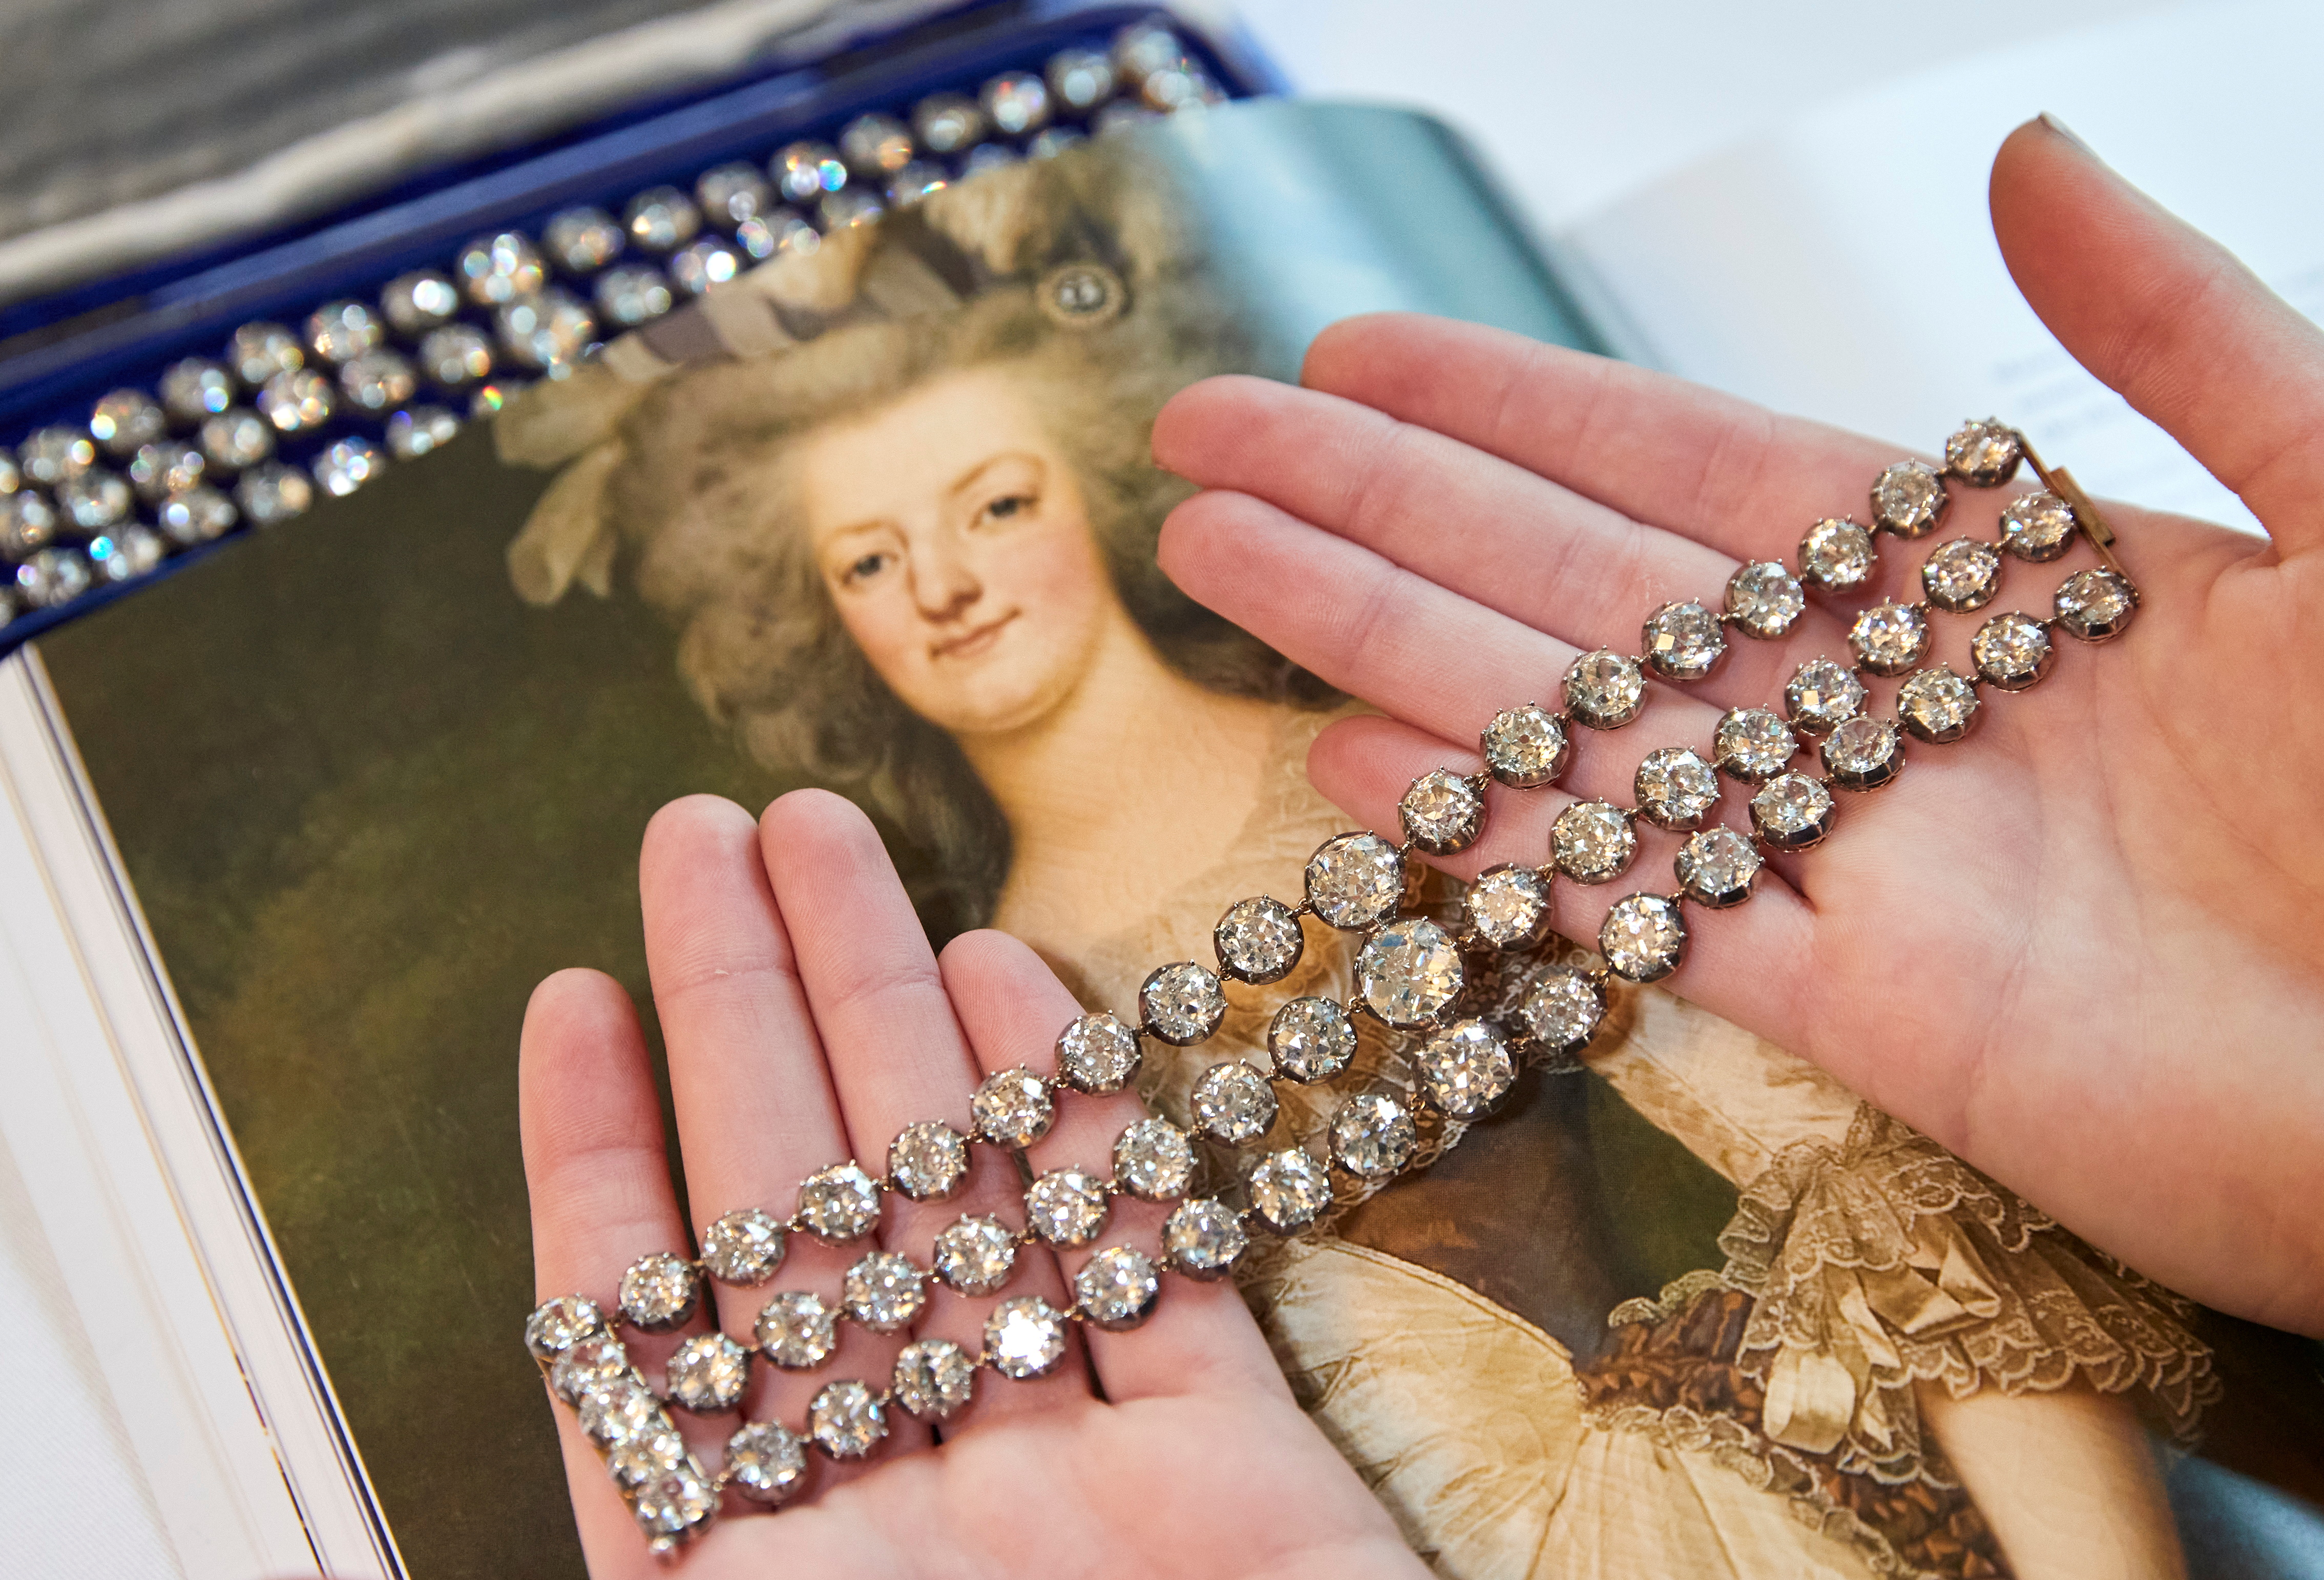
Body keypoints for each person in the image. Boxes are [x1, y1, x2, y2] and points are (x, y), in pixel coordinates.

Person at [518, 117, 2324, 1576]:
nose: (949, 583)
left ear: (1086, 488)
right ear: (812, 616)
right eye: (867, 559)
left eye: (995, 501)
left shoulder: (1419, 782)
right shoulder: (945, 1040)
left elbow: (1856, 1169)